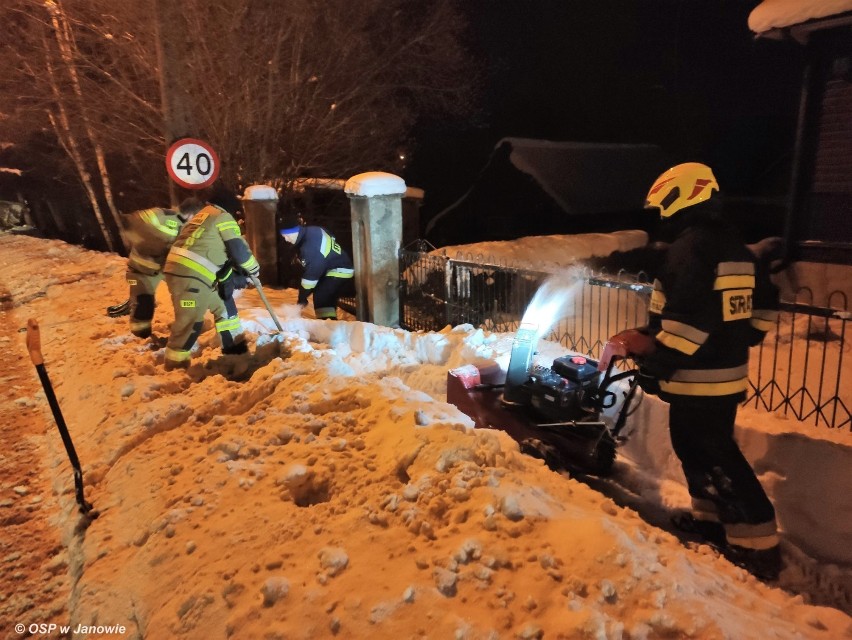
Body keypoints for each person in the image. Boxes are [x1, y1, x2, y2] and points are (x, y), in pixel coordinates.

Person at [608, 162, 782, 581]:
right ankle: (710, 521)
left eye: (664, 204)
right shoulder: (736, 248)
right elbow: (765, 307)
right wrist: (741, 339)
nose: (662, 214)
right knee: (696, 447)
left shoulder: (691, 250)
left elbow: (686, 325)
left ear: (682, 196)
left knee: (717, 455)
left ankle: (758, 546)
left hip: (696, 377)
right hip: (725, 375)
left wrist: (655, 361)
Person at [162, 184, 259, 370]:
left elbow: (213, 247)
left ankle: (235, 355)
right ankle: (174, 368)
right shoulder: (223, 217)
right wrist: (253, 269)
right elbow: (238, 248)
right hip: (190, 275)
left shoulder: (202, 215)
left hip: (190, 272)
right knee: (190, 321)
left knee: (225, 307)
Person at [119, 197, 204, 338]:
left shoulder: (188, 228)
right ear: (190, 213)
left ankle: (190, 326)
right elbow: (130, 221)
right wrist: (140, 241)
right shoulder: (162, 215)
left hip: (163, 268)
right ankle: (140, 335)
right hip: (141, 270)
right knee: (144, 303)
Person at [278, 210, 354, 320]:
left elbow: (310, 277)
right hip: (336, 265)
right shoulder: (312, 231)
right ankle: (329, 324)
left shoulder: (310, 247)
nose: (286, 239)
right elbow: (331, 236)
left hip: (339, 269)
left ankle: (326, 326)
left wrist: (302, 299)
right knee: (325, 295)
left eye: (287, 235)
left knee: (321, 295)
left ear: (295, 231)